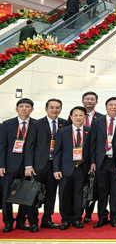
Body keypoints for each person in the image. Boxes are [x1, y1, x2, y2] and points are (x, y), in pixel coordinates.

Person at [0, 98, 39, 232]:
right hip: (10, 165)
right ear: (16, 109)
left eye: (27, 106)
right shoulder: (6, 124)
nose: (24, 109)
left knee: (26, 195)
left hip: (29, 166)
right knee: (6, 195)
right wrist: (1, 164)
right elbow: (2, 146)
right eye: (21, 106)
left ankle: (21, 221)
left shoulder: (36, 124)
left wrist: (32, 164)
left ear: (32, 109)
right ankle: (8, 222)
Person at [89, 97, 116, 228]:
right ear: (106, 107)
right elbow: (93, 143)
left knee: (115, 192)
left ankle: (114, 217)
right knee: (102, 191)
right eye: (111, 105)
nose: (113, 107)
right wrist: (93, 161)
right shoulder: (98, 122)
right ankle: (102, 217)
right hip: (102, 162)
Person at [32, 98, 68, 230]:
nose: (55, 110)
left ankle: (47, 219)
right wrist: (28, 165)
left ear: (61, 109)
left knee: (51, 194)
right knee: (35, 194)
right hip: (39, 165)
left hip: (56, 166)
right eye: (52, 107)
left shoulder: (65, 123)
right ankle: (33, 221)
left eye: (57, 107)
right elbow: (30, 145)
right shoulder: (36, 124)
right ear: (46, 109)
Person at [53, 106, 90, 230]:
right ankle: (65, 219)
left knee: (79, 194)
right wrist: (56, 169)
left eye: (81, 115)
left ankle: (77, 218)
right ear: (71, 117)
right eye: (75, 115)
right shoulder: (63, 131)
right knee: (64, 194)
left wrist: (92, 164)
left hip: (82, 168)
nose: (78, 117)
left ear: (85, 117)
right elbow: (57, 152)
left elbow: (93, 150)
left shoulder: (89, 131)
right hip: (65, 169)